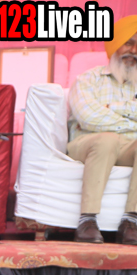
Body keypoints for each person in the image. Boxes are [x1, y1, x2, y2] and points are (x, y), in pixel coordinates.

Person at [67, 17, 137, 245]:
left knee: (112, 139)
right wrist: (133, 121)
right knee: (107, 140)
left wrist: (113, 108)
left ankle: (131, 221)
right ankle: (87, 220)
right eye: (128, 43)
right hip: (88, 143)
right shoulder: (89, 79)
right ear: (115, 44)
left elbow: (100, 114)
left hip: (127, 146)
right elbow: (88, 117)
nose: (134, 50)